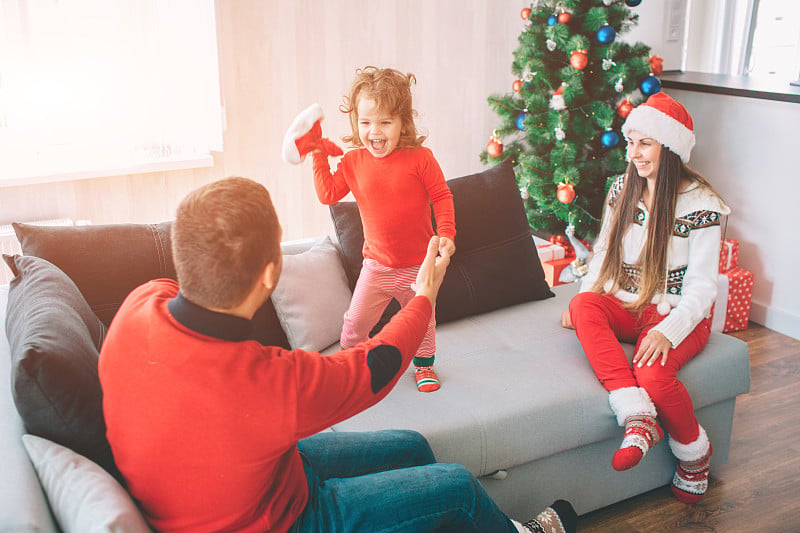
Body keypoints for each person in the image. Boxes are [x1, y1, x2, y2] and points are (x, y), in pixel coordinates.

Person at [99, 177, 577, 533]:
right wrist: (424, 296)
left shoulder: (138, 307)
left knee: (412, 446)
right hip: (282, 522)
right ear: (271, 276)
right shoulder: (265, 384)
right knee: (457, 486)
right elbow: (377, 365)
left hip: (253, 480)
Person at [561, 92, 729, 504]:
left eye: (644, 143)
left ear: (669, 147)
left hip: (676, 312)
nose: (633, 153)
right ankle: (636, 414)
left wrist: (668, 333)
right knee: (584, 306)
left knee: (654, 373)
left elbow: (704, 286)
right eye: (630, 142)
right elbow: (603, 251)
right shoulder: (623, 187)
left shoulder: (702, 205)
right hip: (628, 303)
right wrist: (585, 296)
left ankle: (695, 455)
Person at [285, 66, 456, 393]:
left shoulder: (421, 159)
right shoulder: (352, 162)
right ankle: (349, 367)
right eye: (365, 122)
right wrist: (319, 154)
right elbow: (328, 194)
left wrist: (446, 232)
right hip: (376, 266)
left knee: (424, 321)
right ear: (355, 123)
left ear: (403, 122)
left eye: (385, 122)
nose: (374, 131)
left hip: (418, 267)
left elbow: (442, 196)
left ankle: (423, 367)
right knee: (353, 325)